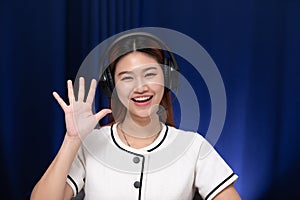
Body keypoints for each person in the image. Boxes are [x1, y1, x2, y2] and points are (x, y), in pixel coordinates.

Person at [31, 32, 241, 200]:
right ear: (112, 86)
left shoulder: (193, 146)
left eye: (150, 74)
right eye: (127, 78)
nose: (140, 87)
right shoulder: (91, 144)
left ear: (167, 78)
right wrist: (73, 139)